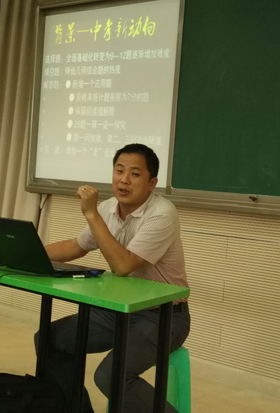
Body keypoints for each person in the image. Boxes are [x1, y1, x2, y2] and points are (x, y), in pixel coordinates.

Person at [38, 143, 190, 413]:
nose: (124, 180)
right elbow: (76, 247)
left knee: (111, 376)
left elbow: (123, 266)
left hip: (163, 316)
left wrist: (91, 213)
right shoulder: (108, 208)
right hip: (119, 310)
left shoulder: (162, 213)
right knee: (50, 340)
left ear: (152, 183)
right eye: (119, 171)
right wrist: (26, 251)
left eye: (135, 174)